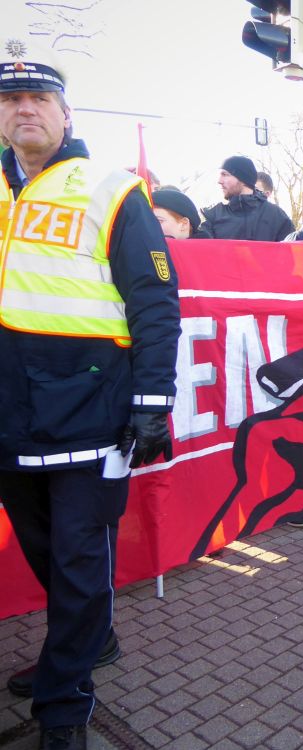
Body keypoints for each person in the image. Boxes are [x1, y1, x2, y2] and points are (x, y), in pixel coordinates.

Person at [0, 35, 180, 750]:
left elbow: (156, 302)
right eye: (11, 101)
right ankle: (84, 639)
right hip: (9, 419)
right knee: (49, 556)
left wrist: (153, 401)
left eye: (39, 98)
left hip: (90, 418)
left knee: (78, 561)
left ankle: (65, 706)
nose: (24, 111)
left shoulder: (111, 190)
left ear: (66, 115)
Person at [200, 155, 294, 241]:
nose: (219, 181)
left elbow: (291, 253)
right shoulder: (213, 215)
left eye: (225, 175)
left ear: (243, 179)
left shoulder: (277, 216)